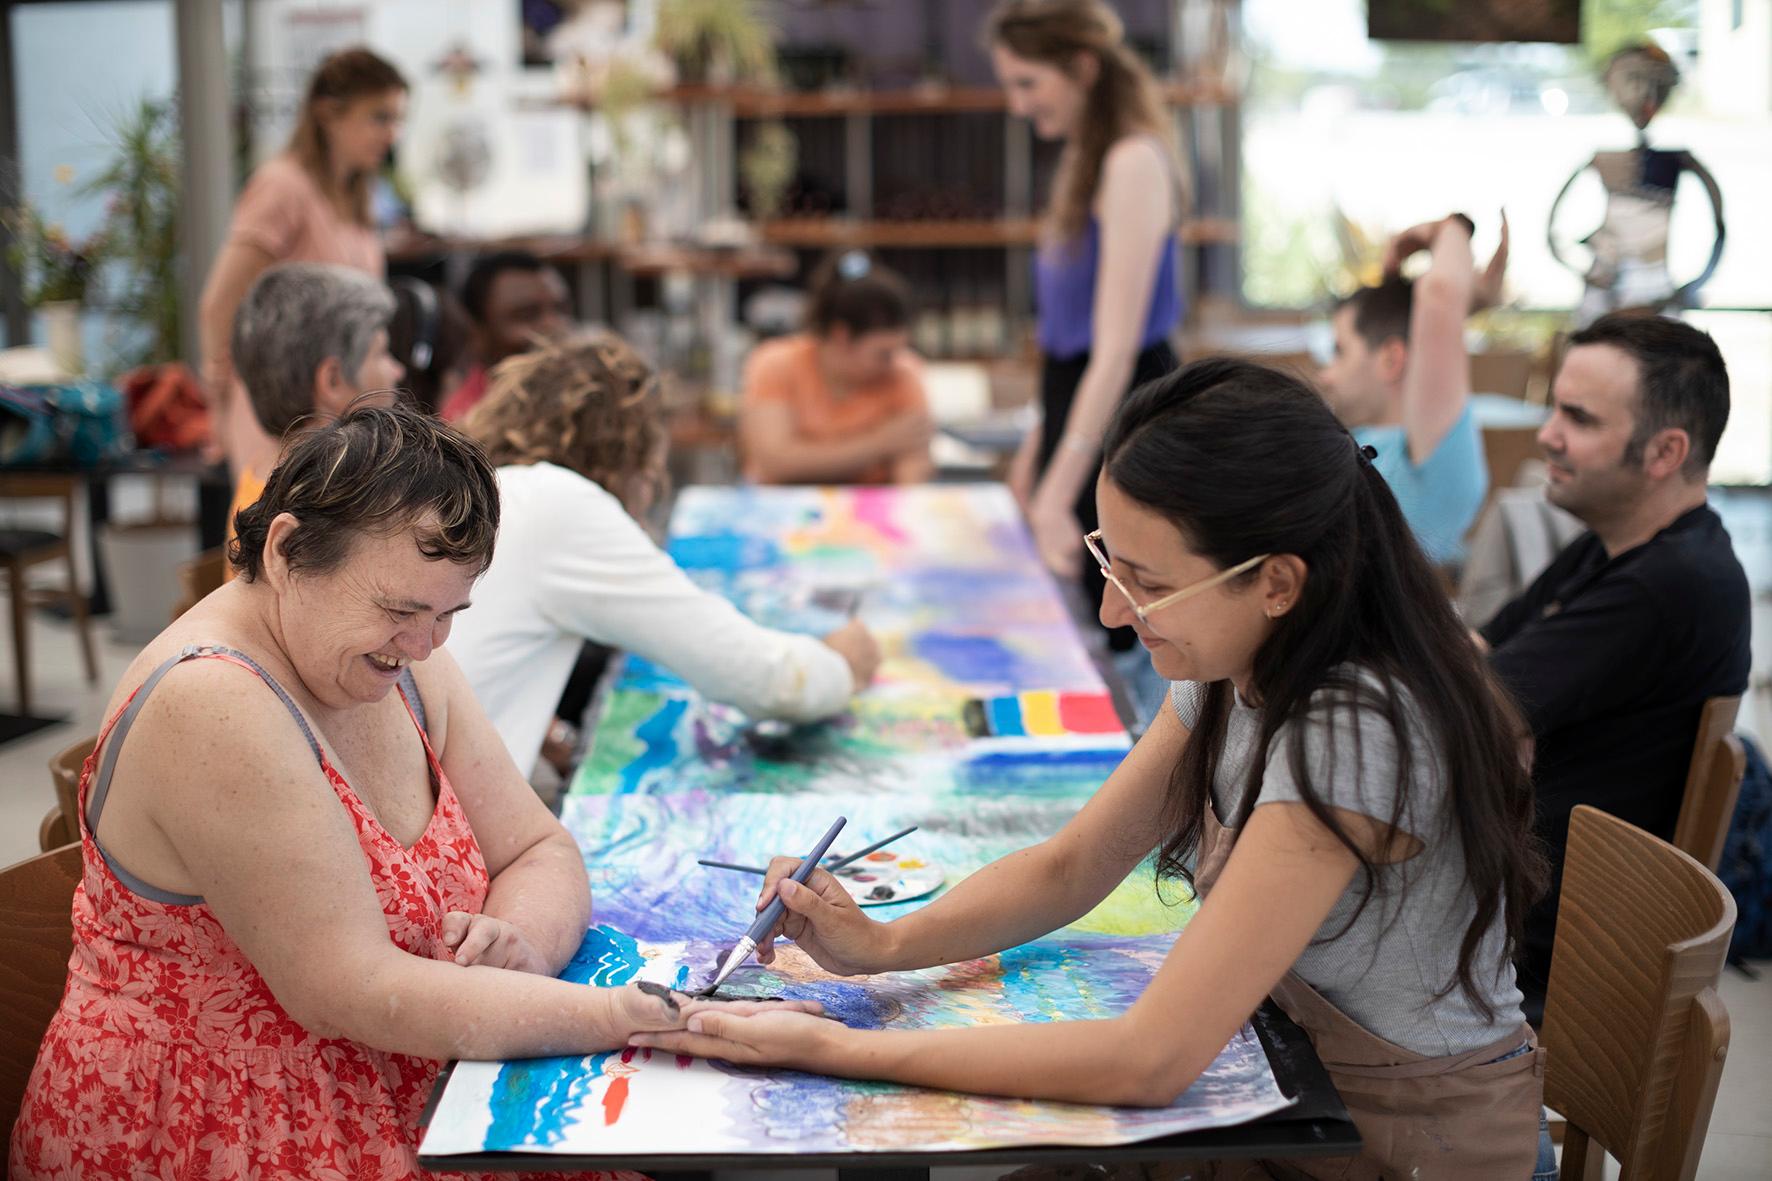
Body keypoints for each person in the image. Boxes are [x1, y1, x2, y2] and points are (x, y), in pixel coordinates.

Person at [633, 359, 1553, 1178]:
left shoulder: (1357, 729)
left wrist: (836, 1049)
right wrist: (883, 945)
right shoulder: (1246, 657)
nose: (1114, 613)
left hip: (1405, 1138)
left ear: (1277, 581)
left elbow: (1151, 1059)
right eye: (1109, 560)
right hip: (1295, 1078)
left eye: (1150, 583)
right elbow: (1072, 866)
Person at [8, 404, 806, 1180]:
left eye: (449, 614)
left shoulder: (399, 655)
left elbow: (538, 845)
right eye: (399, 610)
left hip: (413, 1081)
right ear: (286, 552)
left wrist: (517, 939)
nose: (425, 645)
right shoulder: (213, 700)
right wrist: (624, 1015)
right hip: (232, 1124)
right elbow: (348, 989)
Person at [1478, 312, 1749, 1021]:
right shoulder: (1619, 545)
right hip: (1514, 901)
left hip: (1540, 955)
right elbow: (1477, 655)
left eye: (1578, 417)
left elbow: (1468, 705)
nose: (1547, 435)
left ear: (1664, 451)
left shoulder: (1670, 585)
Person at [453, 334, 881, 780]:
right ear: (631, 453)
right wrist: (841, 666)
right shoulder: (559, 504)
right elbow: (757, 676)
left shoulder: (501, 493)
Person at [990, 1, 1184, 638]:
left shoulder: (1132, 162)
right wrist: (1038, 446)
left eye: (1028, 83)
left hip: (1122, 414)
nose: (1018, 105)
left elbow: (1115, 350)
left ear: (1081, 67)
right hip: (1079, 405)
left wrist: (1057, 486)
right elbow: (1067, 343)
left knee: (1122, 626)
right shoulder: (1085, 158)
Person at [199, 47, 407, 482]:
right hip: (282, 411)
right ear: (328, 113)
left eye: (397, 120)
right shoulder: (282, 187)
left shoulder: (358, 195)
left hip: (340, 404)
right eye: (379, 117)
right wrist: (218, 410)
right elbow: (220, 305)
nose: (392, 134)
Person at [1317, 212, 1511, 568]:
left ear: (1391, 359)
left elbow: (1439, 297)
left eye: (1339, 352)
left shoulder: (1428, 456)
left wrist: (1448, 227)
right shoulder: (1353, 441)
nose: (1325, 376)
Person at [226, 262, 405, 544]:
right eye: (382, 353)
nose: (398, 370)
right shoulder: (334, 514)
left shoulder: (264, 478)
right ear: (332, 381)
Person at [739, 251, 933, 485]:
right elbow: (775, 463)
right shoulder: (775, 363)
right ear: (841, 336)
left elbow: (913, 462)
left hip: (870, 510)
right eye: (883, 353)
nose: (894, 361)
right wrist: (881, 443)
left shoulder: (903, 370)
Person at [438, 250, 572, 422]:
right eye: (527, 315)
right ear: (477, 332)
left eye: (561, 309)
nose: (554, 325)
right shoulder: (465, 425)